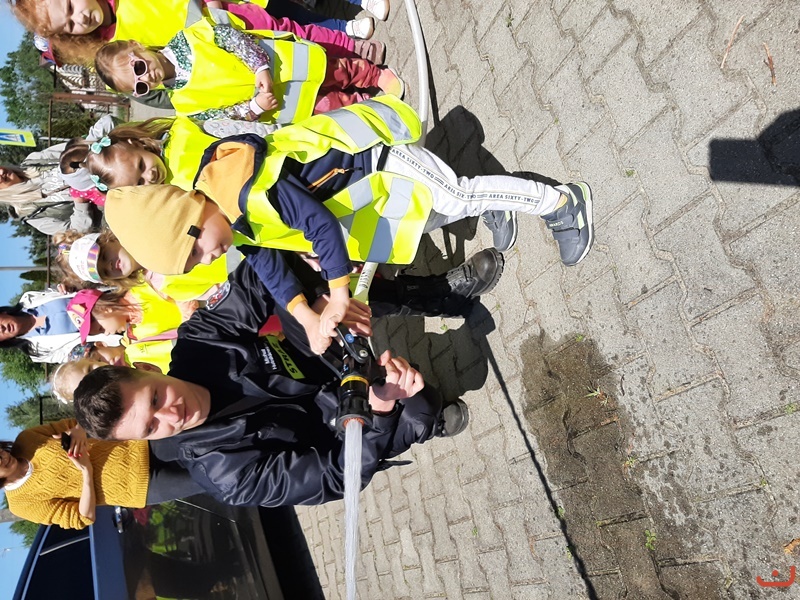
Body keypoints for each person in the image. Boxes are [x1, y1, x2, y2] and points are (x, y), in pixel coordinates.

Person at [105, 96, 594, 353]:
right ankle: (497, 198)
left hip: (378, 158)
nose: (208, 258)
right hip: (371, 189)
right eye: (195, 264)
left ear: (190, 215)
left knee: (456, 194)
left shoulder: (244, 189)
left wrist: (339, 294)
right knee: (435, 212)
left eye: (195, 250)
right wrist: (306, 318)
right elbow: (269, 266)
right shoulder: (230, 218)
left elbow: (317, 222)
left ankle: (561, 202)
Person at [73, 259, 469, 507]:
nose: (171, 414)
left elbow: (257, 274)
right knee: (420, 406)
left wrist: (313, 311)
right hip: (345, 424)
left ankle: (433, 294)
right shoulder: (225, 475)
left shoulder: (198, 344)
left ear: (149, 369)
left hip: (325, 356)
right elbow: (335, 478)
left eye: (156, 398)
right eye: (151, 427)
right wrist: (378, 412)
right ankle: (423, 425)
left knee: (301, 286)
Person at [93, 19, 403, 124]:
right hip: (279, 102)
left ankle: (374, 76)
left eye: (139, 67)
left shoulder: (188, 37)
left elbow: (231, 37)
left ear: (137, 46)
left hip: (278, 63)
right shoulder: (183, 104)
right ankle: (369, 106)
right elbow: (221, 115)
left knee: (335, 71)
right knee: (328, 106)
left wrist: (259, 66)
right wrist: (254, 107)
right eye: (141, 86)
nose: (147, 77)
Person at [12, 0, 383, 70]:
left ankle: (357, 1)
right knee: (288, 29)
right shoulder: (114, 44)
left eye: (71, 6)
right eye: (70, 25)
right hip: (223, 24)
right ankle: (345, 32)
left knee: (284, 4)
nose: (80, 17)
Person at [0, 419, 202, 529]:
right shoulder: (21, 504)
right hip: (143, 487)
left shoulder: (27, 438)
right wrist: (86, 472)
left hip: (140, 443)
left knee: (205, 440)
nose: (2, 457)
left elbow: (79, 422)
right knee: (209, 477)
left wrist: (79, 430)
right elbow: (83, 518)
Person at [0, 289, 121, 364]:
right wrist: (84, 352)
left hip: (112, 303)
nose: (1, 329)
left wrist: (66, 287)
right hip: (114, 334)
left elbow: (69, 291)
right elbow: (69, 358)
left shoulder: (29, 298)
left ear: (3, 313)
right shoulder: (36, 352)